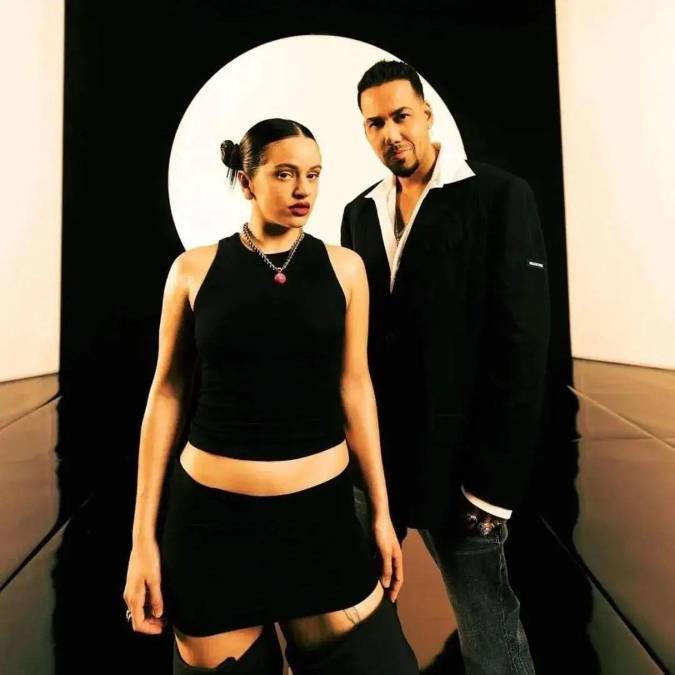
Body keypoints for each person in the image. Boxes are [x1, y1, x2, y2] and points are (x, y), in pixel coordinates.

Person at [122, 117, 419, 674]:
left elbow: (356, 388)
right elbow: (167, 394)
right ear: (246, 181)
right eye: (285, 174)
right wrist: (142, 540)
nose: (303, 189)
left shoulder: (345, 269)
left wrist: (381, 513)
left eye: (313, 174)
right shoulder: (192, 270)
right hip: (211, 528)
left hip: (320, 521)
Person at [341, 60, 550, 674]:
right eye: (375, 123)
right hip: (374, 461)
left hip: (461, 467)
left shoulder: (500, 196)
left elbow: (522, 346)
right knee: (350, 621)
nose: (390, 134)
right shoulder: (359, 211)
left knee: (489, 632)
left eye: (401, 116)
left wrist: (493, 489)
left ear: (428, 115)